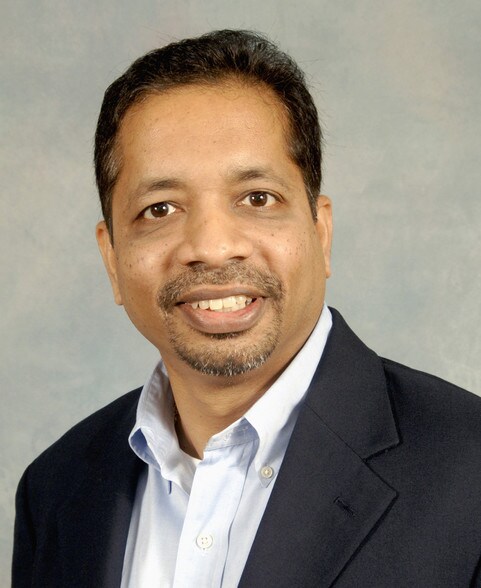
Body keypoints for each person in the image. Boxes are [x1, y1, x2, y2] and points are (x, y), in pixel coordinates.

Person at [12, 30, 481, 587]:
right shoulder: (55, 492)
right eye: (160, 208)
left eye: (258, 198)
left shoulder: (470, 472)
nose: (212, 246)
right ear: (112, 258)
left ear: (321, 233)